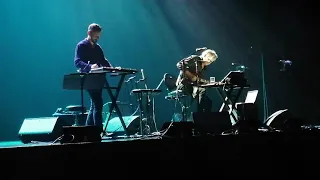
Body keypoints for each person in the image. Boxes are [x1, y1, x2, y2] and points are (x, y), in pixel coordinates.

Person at [74, 23, 112, 132]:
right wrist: (90, 66)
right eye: (96, 36)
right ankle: (99, 131)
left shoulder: (97, 47)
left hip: (97, 78)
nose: (97, 38)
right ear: (89, 33)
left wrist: (112, 69)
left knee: (94, 105)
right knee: (98, 103)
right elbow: (77, 62)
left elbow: (103, 60)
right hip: (88, 78)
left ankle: (88, 130)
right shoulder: (81, 45)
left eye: (99, 36)